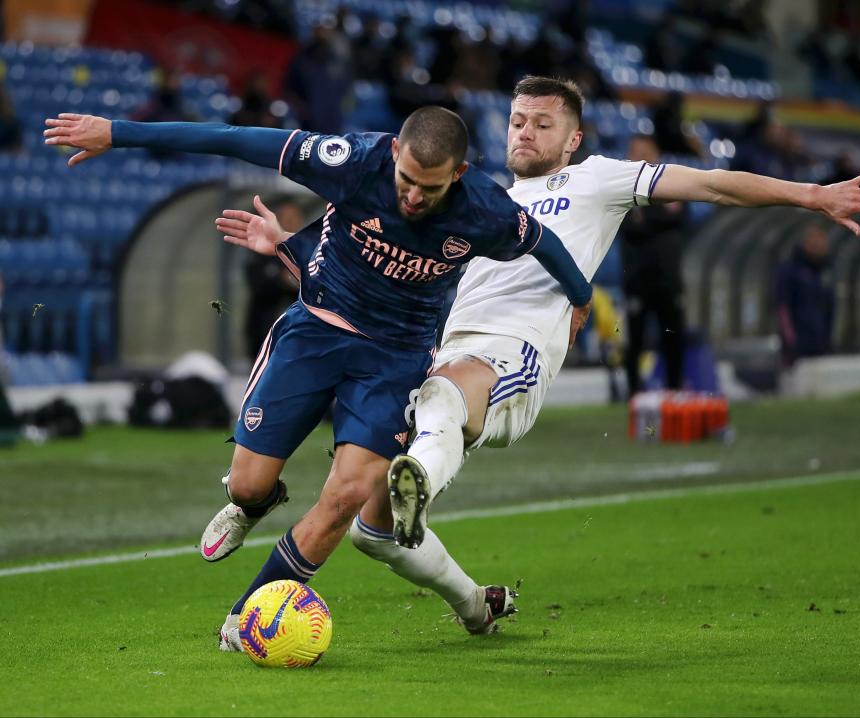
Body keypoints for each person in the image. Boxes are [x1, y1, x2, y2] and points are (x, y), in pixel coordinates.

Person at [228, 78, 860, 625]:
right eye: (518, 120)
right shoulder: (472, 199)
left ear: (574, 138)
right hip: (439, 356)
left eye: (543, 124)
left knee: (443, 399)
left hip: (512, 357)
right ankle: (474, 602)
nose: (525, 132)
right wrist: (292, 247)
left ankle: (418, 480)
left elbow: (712, 185)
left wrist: (809, 194)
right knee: (374, 531)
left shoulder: (601, 179)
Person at [43, 106, 594, 644]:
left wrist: (580, 299)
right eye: (406, 180)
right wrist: (117, 132)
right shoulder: (351, 160)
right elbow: (234, 136)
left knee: (348, 493)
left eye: (430, 188)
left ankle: (248, 617)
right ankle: (252, 504)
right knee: (248, 482)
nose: (413, 197)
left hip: (394, 360)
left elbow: (545, 243)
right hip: (315, 333)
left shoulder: (485, 211)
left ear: (459, 174)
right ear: (395, 153)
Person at [618, 134, 687, 394]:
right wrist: (658, 214)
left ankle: (675, 393)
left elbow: (678, 217)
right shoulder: (622, 189)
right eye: (636, 151)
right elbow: (632, 227)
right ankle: (633, 395)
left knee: (673, 338)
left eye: (646, 151)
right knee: (634, 341)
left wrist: (646, 216)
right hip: (636, 280)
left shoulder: (673, 183)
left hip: (669, 279)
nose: (641, 157)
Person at [242, 201, 302, 362]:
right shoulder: (262, 251)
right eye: (286, 218)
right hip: (263, 331)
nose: (291, 222)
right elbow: (258, 283)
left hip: (299, 336)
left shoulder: (307, 251)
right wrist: (282, 280)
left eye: (295, 218)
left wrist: (295, 279)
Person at [774, 223, 835, 368]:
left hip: (821, 341)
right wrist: (790, 340)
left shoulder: (825, 271)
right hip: (798, 344)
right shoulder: (790, 271)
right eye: (814, 242)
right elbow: (782, 307)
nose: (819, 246)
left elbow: (830, 307)